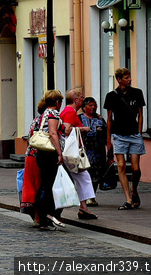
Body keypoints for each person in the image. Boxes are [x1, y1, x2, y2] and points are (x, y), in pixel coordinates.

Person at [103, 67, 145, 210]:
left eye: (130, 77)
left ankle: (134, 189)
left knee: (135, 168)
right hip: (119, 135)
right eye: (127, 78)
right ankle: (128, 199)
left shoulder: (137, 93)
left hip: (134, 134)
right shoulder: (111, 96)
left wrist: (139, 132)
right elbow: (109, 119)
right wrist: (108, 140)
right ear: (119, 79)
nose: (130, 79)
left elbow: (140, 114)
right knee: (120, 165)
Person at [58, 89, 98, 220]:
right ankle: (82, 207)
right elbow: (67, 129)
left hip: (72, 151)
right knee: (83, 177)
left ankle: (83, 207)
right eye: (81, 97)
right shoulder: (70, 112)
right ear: (75, 100)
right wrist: (83, 129)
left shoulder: (67, 111)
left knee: (82, 177)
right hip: (72, 152)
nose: (83, 99)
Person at [30, 90, 66, 230]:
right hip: (49, 152)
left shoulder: (44, 113)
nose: (60, 105)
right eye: (60, 102)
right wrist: (59, 153)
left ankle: (42, 216)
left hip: (41, 153)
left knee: (44, 184)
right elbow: (52, 133)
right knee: (49, 185)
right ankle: (47, 216)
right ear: (57, 102)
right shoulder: (53, 114)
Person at [79, 97, 106, 204]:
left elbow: (106, 132)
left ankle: (92, 196)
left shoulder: (100, 119)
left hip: (98, 150)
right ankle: (85, 197)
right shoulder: (79, 118)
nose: (93, 107)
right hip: (84, 150)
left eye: (95, 105)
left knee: (96, 173)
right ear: (84, 107)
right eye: (90, 105)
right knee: (86, 173)